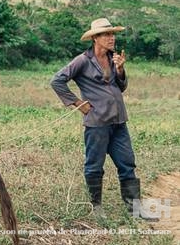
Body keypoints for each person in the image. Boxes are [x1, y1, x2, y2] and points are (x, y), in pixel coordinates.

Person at [50, 18, 155, 220]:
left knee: (127, 163)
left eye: (112, 34)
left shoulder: (113, 57)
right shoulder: (82, 61)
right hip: (97, 123)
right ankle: (97, 208)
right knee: (94, 166)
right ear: (95, 38)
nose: (111, 38)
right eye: (106, 34)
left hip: (118, 122)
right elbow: (57, 81)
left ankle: (135, 209)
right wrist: (79, 104)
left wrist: (121, 70)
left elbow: (120, 87)